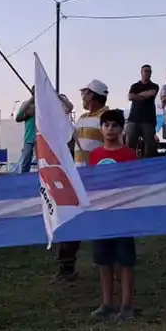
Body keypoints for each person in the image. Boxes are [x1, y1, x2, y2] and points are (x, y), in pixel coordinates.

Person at [86, 109, 138, 320]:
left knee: (125, 260)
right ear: (101, 128)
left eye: (114, 125)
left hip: (122, 214)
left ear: (121, 128)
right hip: (101, 214)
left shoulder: (129, 155)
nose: (110, 129)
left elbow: (135, 183)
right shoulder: (95, 156)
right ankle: (106, 304)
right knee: (103, 260)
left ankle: (127, 305)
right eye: (106, 125)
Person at [55, 80, 109, 283]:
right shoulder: (83, 118)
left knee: (101, 221)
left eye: (85, 93)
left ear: (93, 95)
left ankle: (106, 262)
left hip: (97, 180)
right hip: (77, 179)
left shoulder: (106, 117)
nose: (82, 98)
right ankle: (66, 267)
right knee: (71, 220)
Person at [126, 65, 159, 158]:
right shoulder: (135, 85)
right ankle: (129, 165)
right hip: (133, 119)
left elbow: (151, 94)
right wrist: (144, 96)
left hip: (148, 120)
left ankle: (148, 166)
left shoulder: (154, 86)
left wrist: (137, 96)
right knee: (130, 145)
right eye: (145, 71)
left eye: (149, 71)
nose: (147, 73)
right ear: (141, 73)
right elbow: (130, 97)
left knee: (150, 146)